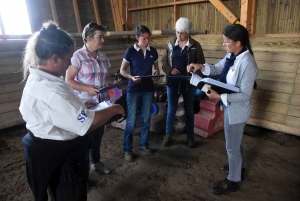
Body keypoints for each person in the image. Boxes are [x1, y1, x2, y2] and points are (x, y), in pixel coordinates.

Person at [20, 21, 124, 201]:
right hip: (60, 154)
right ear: (54, 58)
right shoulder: (52, 90)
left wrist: (82, 107)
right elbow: (88, 123)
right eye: (68, 58)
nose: (70, 62)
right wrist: (115, 108)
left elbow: (60, 111)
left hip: (43, 148)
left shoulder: (41, 79)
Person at [187, 24, 258, 195]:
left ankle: (234, 180)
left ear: (238, 42)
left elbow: (245, 95)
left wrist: (219, 97)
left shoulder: (248, 63)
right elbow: (218, 69)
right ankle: (239, 167)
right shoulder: (232, 55)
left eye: (227, 42)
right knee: (235, 141)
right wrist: (201, 66)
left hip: (238, 110)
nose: (224, 45)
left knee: (231, 147)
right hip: (230, 106)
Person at [65, 22, 113, 174]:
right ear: (89, 38)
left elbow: (107, 77)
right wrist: (87, 88)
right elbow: (68, 80)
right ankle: (82, 171)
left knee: (98, 135)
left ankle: (96, 162)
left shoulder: (103, 56)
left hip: (101, 103)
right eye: (100, 37)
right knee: (84, 138)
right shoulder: (77, 57)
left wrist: (110, 83)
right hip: (84, 104)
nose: (103, 40)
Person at [161, 17, 205, 148]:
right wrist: (169, 70)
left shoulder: (195, 46)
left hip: (189, 83)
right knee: (171, 109)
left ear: (188, 32)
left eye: (182, 33)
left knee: (189, 110)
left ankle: (190, 136)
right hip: (173, 82)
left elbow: (201, 64)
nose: (179, 35)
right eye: (177, 32)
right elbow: (164, 62)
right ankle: (168, 134)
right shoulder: (170, 45)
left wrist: (194, 70)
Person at [120, 25, 160, 162]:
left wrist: (156, 74)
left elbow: (156, 68)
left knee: (146, 119)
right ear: (137, 37)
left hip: (148, 89)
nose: (147, 41)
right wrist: (131, 77)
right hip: (134, 89)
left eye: (148, 38)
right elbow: (122, 70)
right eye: (144, 38)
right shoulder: (130, 51)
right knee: (131, 121)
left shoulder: (153, 51)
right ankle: (127, 149)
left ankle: (144, 145)